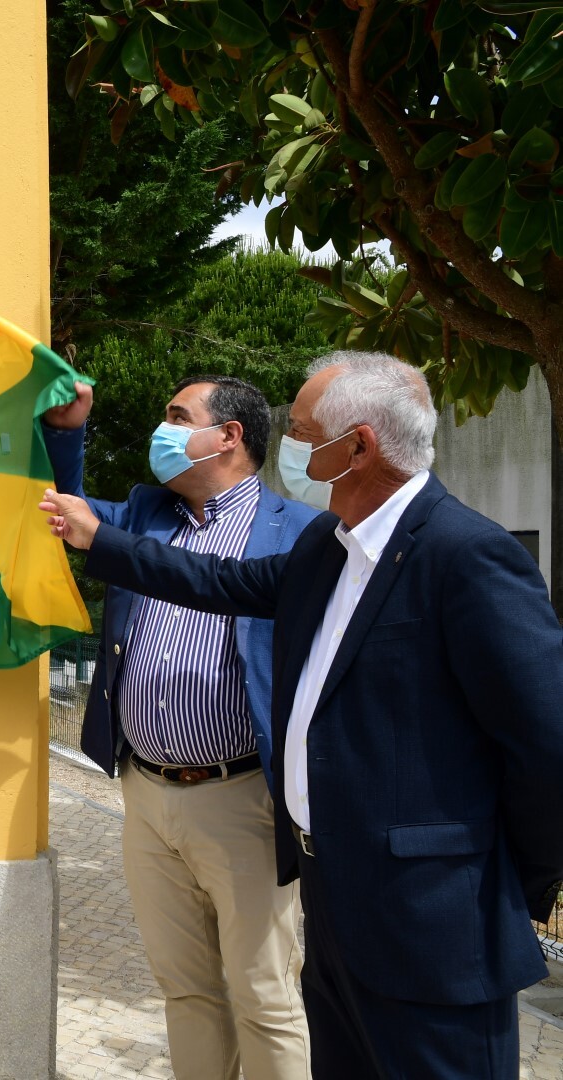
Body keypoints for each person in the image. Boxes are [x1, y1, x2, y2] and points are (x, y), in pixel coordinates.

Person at [41, 351, 563, 1078]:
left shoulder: (465, 554)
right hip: (335, 901)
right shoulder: (329, 545)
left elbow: (546, 742)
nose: (291, 439)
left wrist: (513, 882)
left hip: (435, 926)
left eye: (306, 428)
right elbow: (218, 578)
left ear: (358, 447)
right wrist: (101, 539)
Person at [42, 375, 317, 1079]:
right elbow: (64, 515)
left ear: (228, 435)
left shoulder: (297, 533)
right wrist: (68, 432)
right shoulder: (147, 512)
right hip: (146, 797)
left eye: (176, 416)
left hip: (244, 801)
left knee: (263, 995)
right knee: (187, 991)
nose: (161, 430)